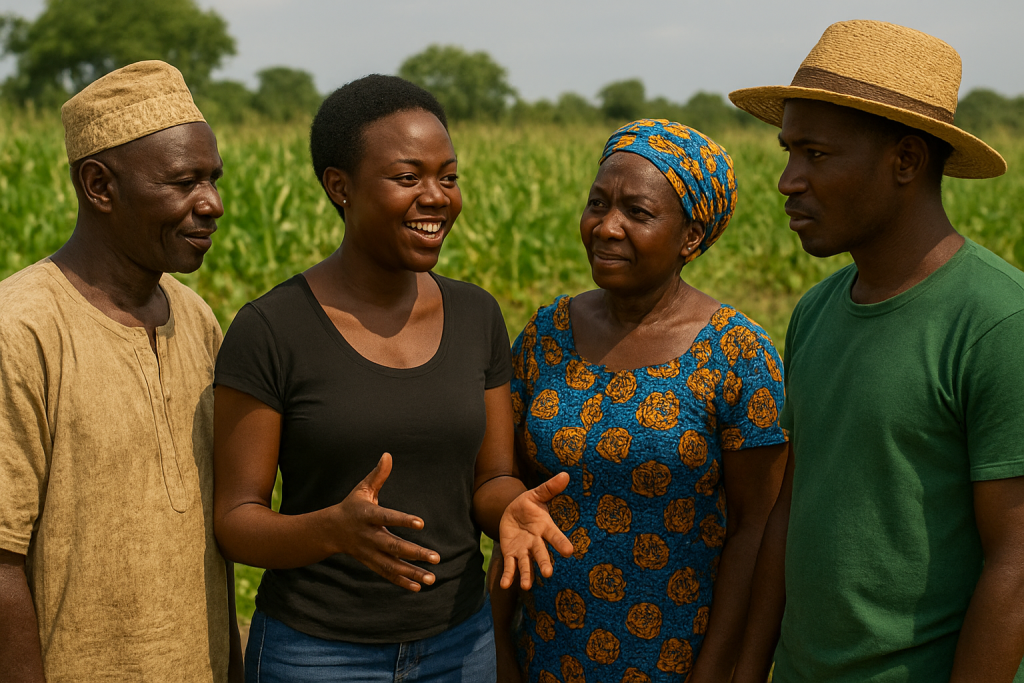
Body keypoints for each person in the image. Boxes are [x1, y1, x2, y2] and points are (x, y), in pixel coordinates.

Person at [212, 74, 572, 682]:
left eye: (448, 177)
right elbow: (236, 522)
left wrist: (510, 508)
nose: (437, 197)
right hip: (317, 654)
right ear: (340, 187)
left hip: (459, 644)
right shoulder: (272, 329)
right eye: (408, 178)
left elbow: (492, 477)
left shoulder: (475, 314)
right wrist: (331, 531)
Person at [728, 20, 1024, 683]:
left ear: (906, 161)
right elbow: (790, 507)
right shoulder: (817, 310)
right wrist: (750, 669)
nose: (787, 180)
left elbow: (1017, 564)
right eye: (787, 151)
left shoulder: (1000, 322)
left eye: (816, 154)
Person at [489, 119, 789, 683]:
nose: (606, 227)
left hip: (678, 657)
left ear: (691, 237)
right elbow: (514, 500)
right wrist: (501, 643)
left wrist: (717, 670)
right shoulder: (546, 334)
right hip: (547, 651)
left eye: (638, 212)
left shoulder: (738, 353)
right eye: (597, 203)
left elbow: (757, 526)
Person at [0, 61, 242, 681]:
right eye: (184, 181)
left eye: (213, 179)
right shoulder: (21, 328)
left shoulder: (196, 320)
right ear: (100, 186)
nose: (212, 203)